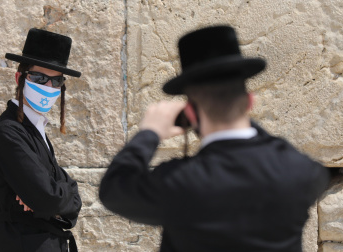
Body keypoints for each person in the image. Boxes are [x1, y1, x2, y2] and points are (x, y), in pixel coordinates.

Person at [98, 25, 330, 252]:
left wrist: (150, 133)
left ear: (190, 113)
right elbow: (315, 173)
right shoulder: (298, 172)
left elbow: (114, 190)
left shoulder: (179, 182)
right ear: (250, 102)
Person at [0, 28, 82, 252]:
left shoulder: (35, 130)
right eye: (39, 78)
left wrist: (61, 195)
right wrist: (57, 198)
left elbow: (68, 198)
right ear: (20, 78)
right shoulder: (7, 133)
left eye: (56, 82)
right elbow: (48, 198)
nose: (48, 87)